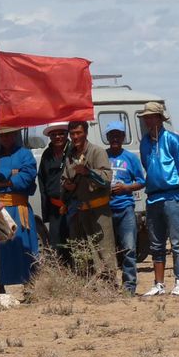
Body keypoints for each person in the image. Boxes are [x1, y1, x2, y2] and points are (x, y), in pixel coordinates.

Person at [138, 100, 179, 296]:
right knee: (156, 244)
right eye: (146, 118)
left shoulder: (173, 140)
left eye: (151, 117)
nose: (148, 121)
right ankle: (159, 283)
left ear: (160, 118)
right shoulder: (144, 142)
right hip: (153, 196)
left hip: (172, 194)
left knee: (177, 241)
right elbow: (146, 165)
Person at [0, 126, 38, 288]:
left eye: (8, 135)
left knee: (24, 247)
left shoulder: (25, 154)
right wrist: (11, 173)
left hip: (19, 208)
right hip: (0, 210)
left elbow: (27, 176)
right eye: (2, 136)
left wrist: (2, 178)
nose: (5, 138)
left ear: (14, 135)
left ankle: (29, 285)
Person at [61, 120, 117, 280]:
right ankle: (88, 285)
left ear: (85, 133)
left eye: (78, 133)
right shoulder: (71, 155)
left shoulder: (97, 152)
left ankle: (109, 286)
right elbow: (64, 178)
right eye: (72, 134)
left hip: (99, 211)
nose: (75, 136)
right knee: (82, 249)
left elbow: (106, 178)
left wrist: (88, 172)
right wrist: (67, 185)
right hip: (80, 210)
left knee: (104, 248)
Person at [104, 122, 145, 294]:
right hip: (105, 209)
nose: (115, 138)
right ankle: (108, 285)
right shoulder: (102, 156)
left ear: (123, 137)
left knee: (128, 248)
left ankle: (129, 286)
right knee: (107, 250)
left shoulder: (130, 158)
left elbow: (141, 181)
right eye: (111, 135)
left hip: (125, 207)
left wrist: (126, 188)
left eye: (118, 135)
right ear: (107, 138)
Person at [38, 122, 70, 260]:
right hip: (55, 209)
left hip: (75, 207)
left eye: (61, 133)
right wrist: (46, 211)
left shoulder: (74, 150)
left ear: (66, 134)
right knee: (56, 246)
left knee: (75, 243)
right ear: (50, 137)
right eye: (54, 134)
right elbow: (42, 181)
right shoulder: (47, 154)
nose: (58, 137)